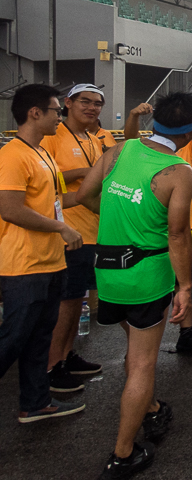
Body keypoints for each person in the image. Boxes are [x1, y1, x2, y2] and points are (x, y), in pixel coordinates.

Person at [76, 92, 192, 480]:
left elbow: (85, 195)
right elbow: (178, 235)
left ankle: (149, 407)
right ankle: (123, 453)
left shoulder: (119, 150)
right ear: (190, 131)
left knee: (136, 348)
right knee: (143, 363)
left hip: (107, 272)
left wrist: (115, 211)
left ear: (155, 121)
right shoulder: (179, 172)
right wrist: (185, 287)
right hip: (146, 274)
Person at [0, 84, 85, 424]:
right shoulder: (12, 156)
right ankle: (34, 401)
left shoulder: (43, 154)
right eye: (55, 111)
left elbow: (57, 202)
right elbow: (10, 209)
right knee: (13, 337)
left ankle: (35, 402)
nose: (59, 118)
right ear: (35, 112)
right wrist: (61, 229)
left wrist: (101, 185)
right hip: (24, 264)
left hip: (51, 261)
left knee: (38, 338)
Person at [125, 103, 192, 356]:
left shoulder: (189, 151)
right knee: (155, 284)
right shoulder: (143, 148)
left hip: (186, 226)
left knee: (183, 282)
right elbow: (130, 139)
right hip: (151, 225)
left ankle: (186, 332)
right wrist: (132, 115)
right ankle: (141, 339)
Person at [40, 84, 105, 393]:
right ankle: (52, 366)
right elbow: (45, 181)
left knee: (77, 300)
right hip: (67, 231)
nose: (91, 108)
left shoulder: (93, 139)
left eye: (97, 104)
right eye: (85, 102)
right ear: (68, 103)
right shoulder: (52, 137)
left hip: (91, 231)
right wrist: (82, 172)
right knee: (65, 303)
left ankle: (66, 355)